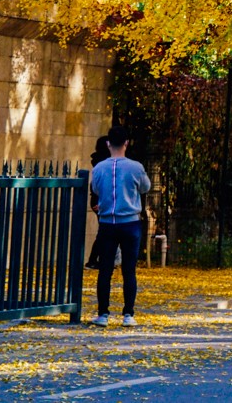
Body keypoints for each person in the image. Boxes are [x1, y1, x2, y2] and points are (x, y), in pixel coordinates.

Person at [88, 126, 151, 326]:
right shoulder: (136, 167)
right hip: (130, 222)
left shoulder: (99, 168)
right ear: (126, 143)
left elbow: (96, 189)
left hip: (107, 222)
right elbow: (145, 187)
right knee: (129, 269)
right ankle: (128, 314)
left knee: (105, 270)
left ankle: (103, 314)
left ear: (108, 144)